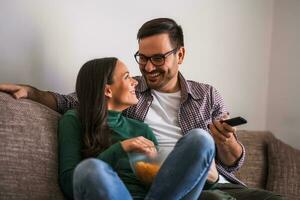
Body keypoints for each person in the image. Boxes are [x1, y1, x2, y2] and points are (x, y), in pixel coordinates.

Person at [0, 18, 282, 199]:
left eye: (157, 58)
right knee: (90, 172)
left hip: (207, 181)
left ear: (179, 54)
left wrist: (226, 142)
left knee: (201, 140)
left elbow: (234, 161)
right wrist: (32, 92)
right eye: (142, 59)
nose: (146, 69)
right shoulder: (97, 111)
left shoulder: (206, 95)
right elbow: (75, 101)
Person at [59, 57, 217, 200]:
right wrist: (121, 148)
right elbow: (69, 183)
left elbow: (164, 187)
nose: (135, 82)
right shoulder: (74, 120)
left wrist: (208, 176)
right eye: (127, 77)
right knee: (90, 168)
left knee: (200, 138)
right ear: (108, 90)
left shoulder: (142, 130)